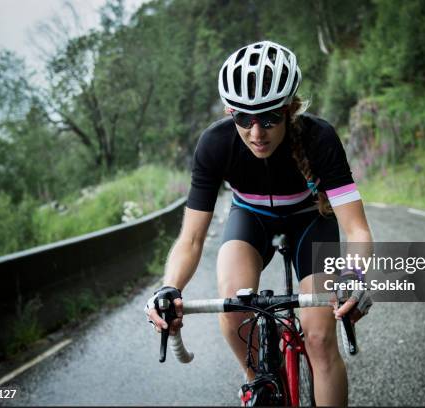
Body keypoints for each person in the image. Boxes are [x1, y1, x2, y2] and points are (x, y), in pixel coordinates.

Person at [145, 40, 373, 406]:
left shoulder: (320, 138)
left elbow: (357, 229)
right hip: (250, 220)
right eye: (243, 119)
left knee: (319, 339)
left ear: (289, 110)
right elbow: (190, 239)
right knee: (234, 310)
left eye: (269, 118)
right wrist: (168, 288)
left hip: (310, 221)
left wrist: (354, 277)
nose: (256, 133)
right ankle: (257, 382)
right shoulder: (214, 144)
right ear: (228, 112)